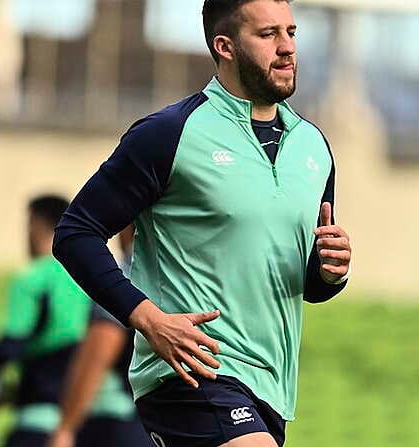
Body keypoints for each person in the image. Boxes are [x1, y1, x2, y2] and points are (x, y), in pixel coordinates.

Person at [53, 1, 352, 446]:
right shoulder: (169, 133)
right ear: (224, 46)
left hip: (270, 387)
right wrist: (148, 319)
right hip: (190, 374)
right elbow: (76, 232)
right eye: (268, 35)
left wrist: (330, 271)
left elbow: (306, 282)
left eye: (291, 32)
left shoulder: (314, 147)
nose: (288, 47)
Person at [0, 195, 135, 447]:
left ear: (36, 225)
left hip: (41, 421)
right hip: (96, 414)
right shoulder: (97, 277)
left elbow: (10, 345)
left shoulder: (32, 279)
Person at [47, 225, 152, 447]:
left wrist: (66, 428)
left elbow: (101, 344)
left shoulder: (126, 273)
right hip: (174, 421)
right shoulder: (186, 277)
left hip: (119, 422)